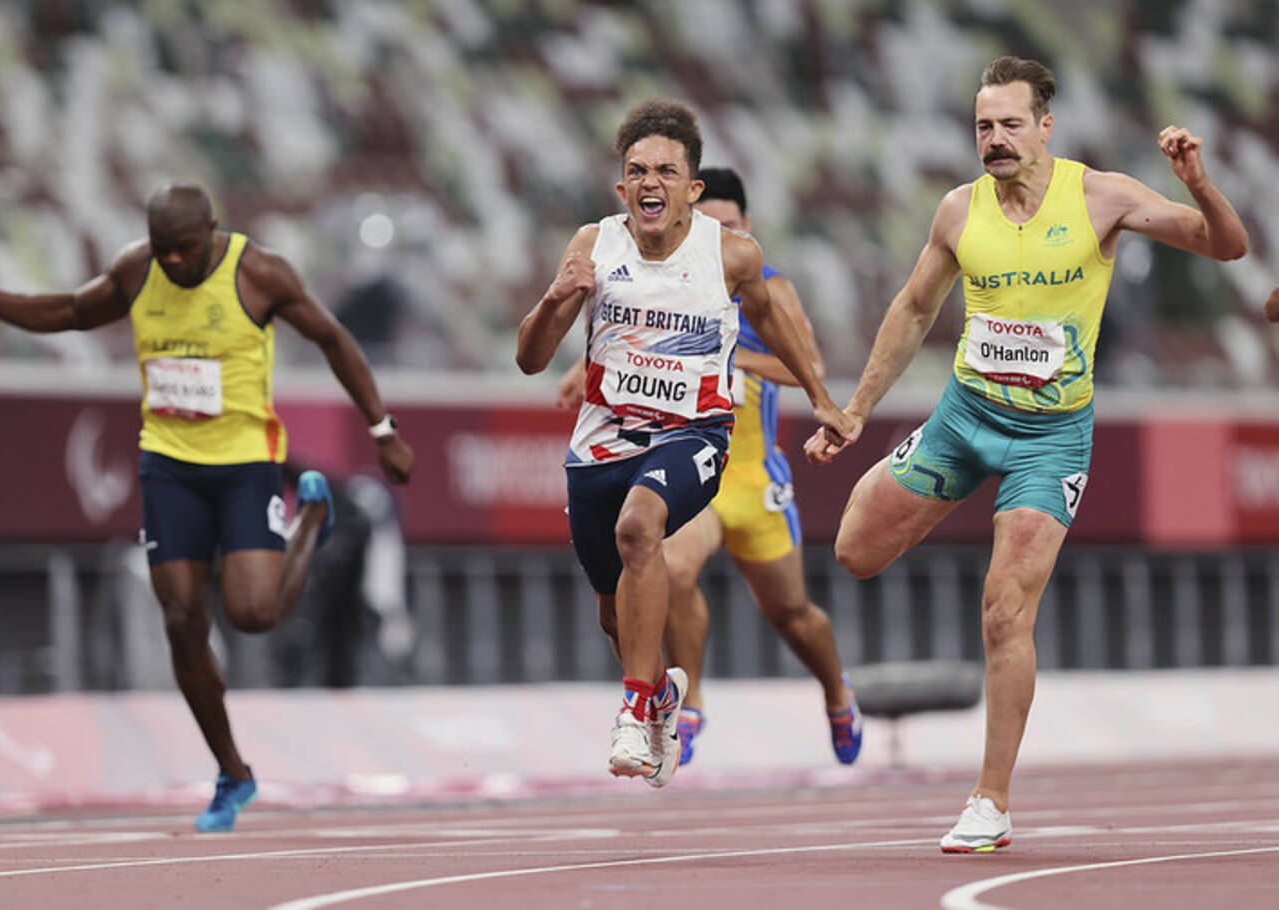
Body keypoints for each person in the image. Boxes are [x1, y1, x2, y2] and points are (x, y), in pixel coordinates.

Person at [803, 56, 1248, 853]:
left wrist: (1198, 183)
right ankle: (930, 473)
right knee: (854, 552)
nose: (996, 140)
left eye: (1012, 124)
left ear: (1046, 126)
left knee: (1006, 609)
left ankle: (989, 800)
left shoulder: (1103, 197)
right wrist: (855, 410)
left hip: (1051, 436)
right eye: (984, 127)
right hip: (964, 417)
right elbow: (911, 310)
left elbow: (1229, 247)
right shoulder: (955, 211)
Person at [0, 183, 416, 832]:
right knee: (183, 622)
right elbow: (69, 310)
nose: (172, 264)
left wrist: (382, 431)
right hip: (169, 465)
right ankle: (232, 772)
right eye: (162, 251)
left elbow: (334, 340)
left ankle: (310, 521)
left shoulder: (259, 274)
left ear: (211, 231)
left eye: (183, 250)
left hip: (242, 464)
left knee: (255, 614)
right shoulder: (137, 268)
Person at [517, 99, 854, 787]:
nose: (650, 183)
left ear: (691, 190)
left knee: (655, 539)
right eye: (637, 171)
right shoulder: (592, 245)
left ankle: (647, 709)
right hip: (606, 444)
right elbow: (529, 359)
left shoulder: (736, 259)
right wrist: (556, 299)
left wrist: (824, 404)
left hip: (707, 445)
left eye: (666, 171)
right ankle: (665, 694)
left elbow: (789, 347)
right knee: (617, 609)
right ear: (621, 187)